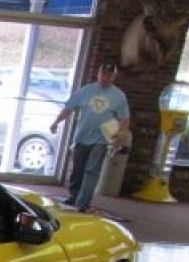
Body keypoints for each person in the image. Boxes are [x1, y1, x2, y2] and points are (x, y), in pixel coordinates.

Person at [50, 63, 130, 213]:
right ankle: (75, 195)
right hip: (81, 136)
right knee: (78, 168)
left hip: (101, 139)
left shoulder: (119, 96)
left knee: (92, 170)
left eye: (109, 75)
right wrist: (56, 122)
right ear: (98, 74)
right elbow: (69, 108)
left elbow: (124, 118)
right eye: (103, 74)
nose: (105, 77)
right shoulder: (85, 91)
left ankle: (83, 202)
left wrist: (121, 133)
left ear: (114, 77)